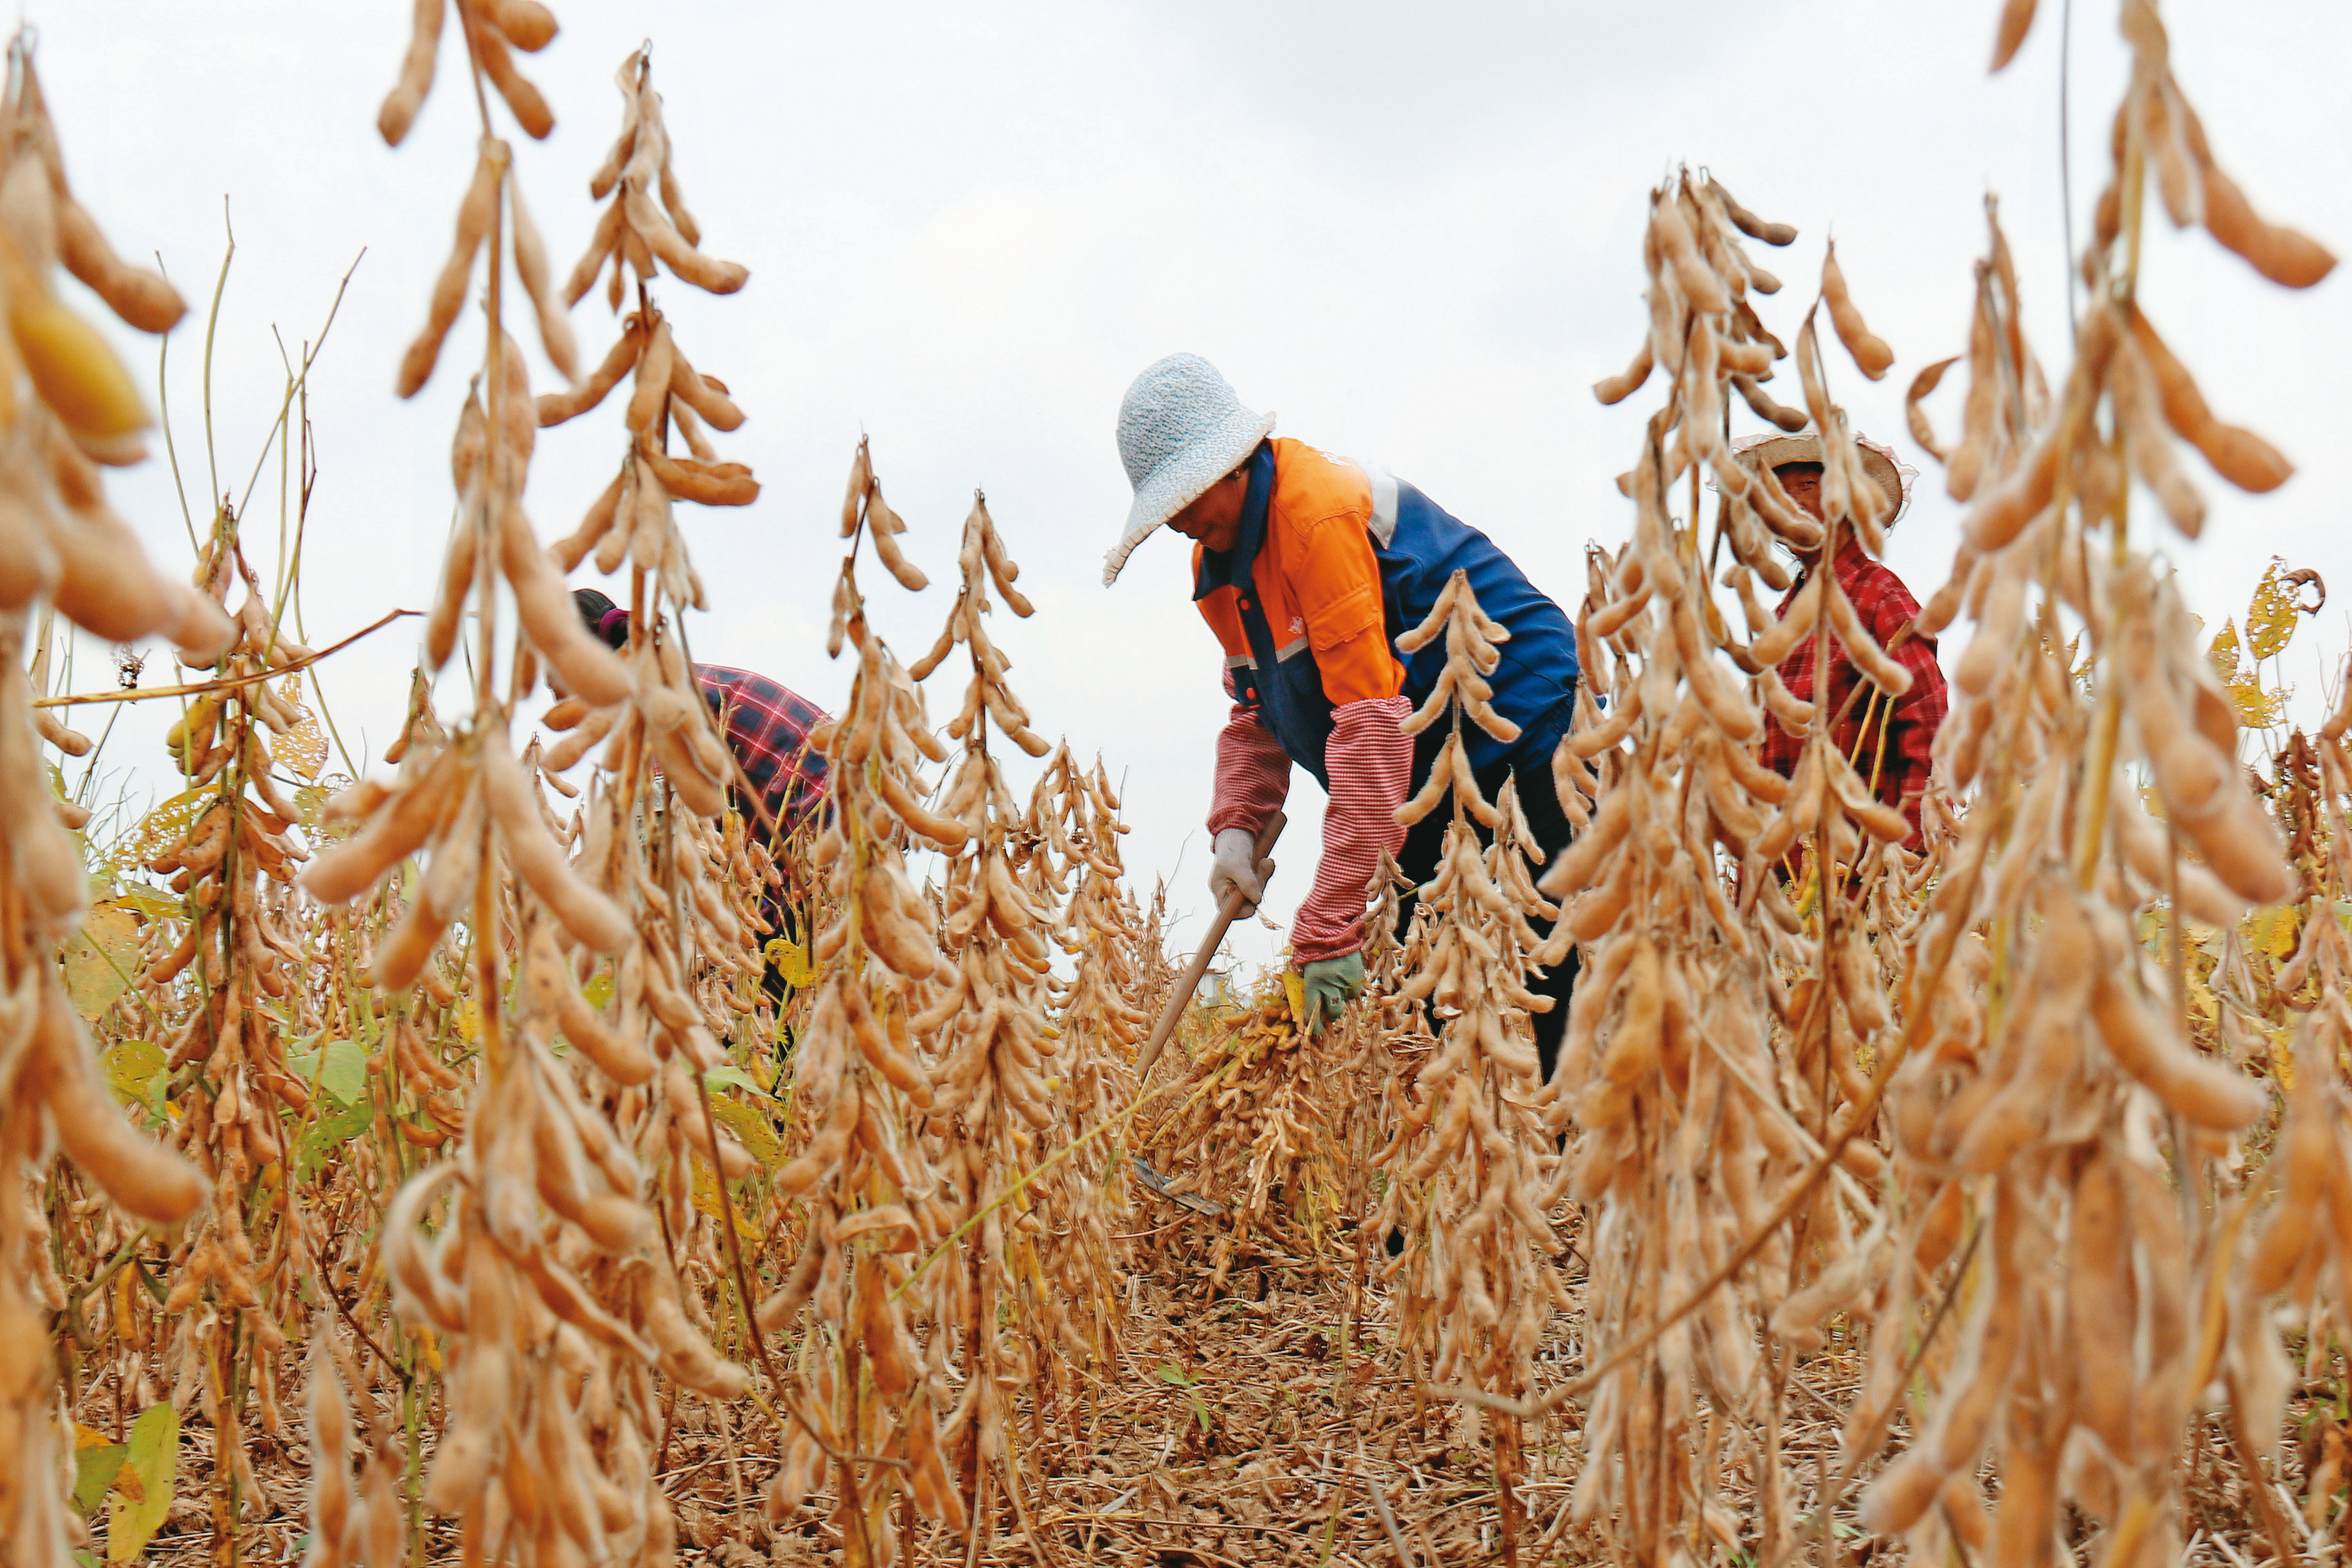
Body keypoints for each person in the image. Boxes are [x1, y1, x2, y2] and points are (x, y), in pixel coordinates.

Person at [1105, 354, 1582, 1071]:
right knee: (1418, 991)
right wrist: (1236, 827)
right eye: (1166, 505)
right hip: (1419, 770)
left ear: (1233, 466)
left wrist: (1328, 924)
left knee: (1561, 970)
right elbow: (1256, 713)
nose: (1178, 520)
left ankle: (1577, 1135)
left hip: (1524, 725)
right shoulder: (1216, 566)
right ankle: (1463, 1139)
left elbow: (1371, 727)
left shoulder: (1315, 515)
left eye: (1187, 495)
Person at [571, 589, 830, 1013]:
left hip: (821, 838)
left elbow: (669, 849)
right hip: (848, 821)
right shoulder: (677, 680)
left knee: (752, 1005)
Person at [1735, 432, 1948, 849]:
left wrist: (1908, 847)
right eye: (1777, 491)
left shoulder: (1879, 594)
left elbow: (1927, 716)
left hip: (1861, 861)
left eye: (1807, 486)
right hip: (1785, 864)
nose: (1790, 502)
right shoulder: (1781, 621)